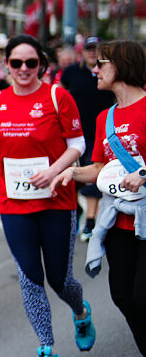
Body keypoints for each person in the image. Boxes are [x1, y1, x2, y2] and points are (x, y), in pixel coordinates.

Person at [0, 35, 95, 357]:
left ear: (41, 65)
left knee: (60, 279)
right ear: (6, 65)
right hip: (14, 204)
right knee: (30, 277)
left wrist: (53, 171)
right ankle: (47, 349)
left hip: (56, 200)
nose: (23, 69)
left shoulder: (57, 96)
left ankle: (80, 312)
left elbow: (78, 144)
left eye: (30, 63)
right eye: (16, 63)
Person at [50, 40, 146, 357]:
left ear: (122, 65)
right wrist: (72, 173)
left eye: (101, 62)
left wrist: (144, 174)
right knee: (122, 295)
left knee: (142, 296)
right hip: (118, 222)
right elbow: (102, 168)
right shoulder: (106, 117)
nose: (95, 69)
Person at [61, 36, 115, 240]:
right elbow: (59, 94)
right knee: (71, 178)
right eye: (89, 49)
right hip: (74, 134)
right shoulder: (71, 72)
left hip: (101, 133)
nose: (92, 53)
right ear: (82, 52)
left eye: (96, 49)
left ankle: (90, 221)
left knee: (95, 175)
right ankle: (77, 211)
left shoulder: (108, 72)